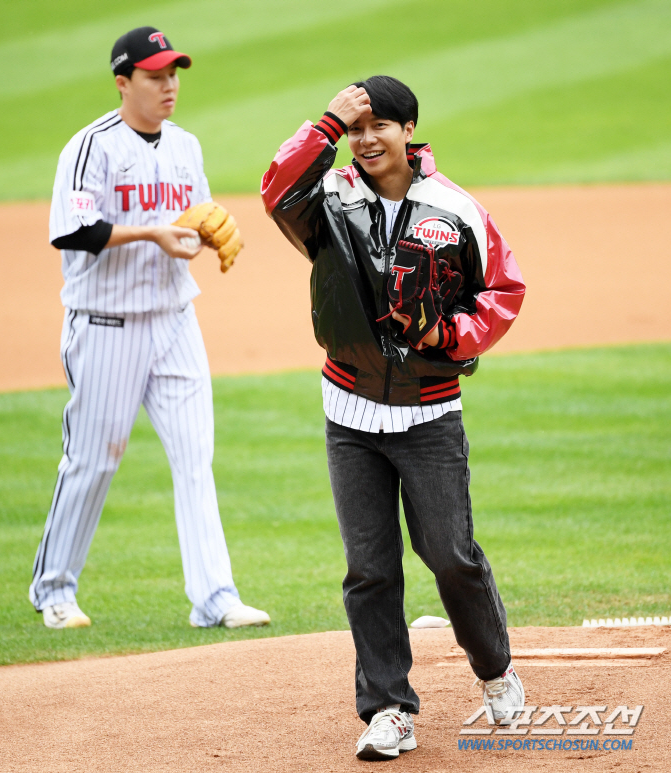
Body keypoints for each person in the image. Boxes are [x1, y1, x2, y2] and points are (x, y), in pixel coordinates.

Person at [261, 76, 526, 760]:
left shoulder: (454, 208)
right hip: (348, 411)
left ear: (410, 130)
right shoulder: (330, 200)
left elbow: (503, 290)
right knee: (369, 569)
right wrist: (323, 124)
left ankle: (495, 670)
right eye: (357, 127)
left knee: (450, 555)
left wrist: (448, 336)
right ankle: (388, 708)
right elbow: (274, 191)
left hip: (430, 414)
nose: (367, 139)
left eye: (380, 125)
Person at [30, 27, 269, 632]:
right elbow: (74, 231)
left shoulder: (186, 145)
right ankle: (54, 589)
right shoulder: (92, 148)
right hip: (108, 325)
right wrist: (153, 233)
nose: (169, 86)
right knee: (93, 460)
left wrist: (194, 238)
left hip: (175, 324)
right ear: (123, 82)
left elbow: (193, 222)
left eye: (173, 74)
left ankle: (214, 596)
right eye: (155, 75)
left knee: (195, 458)